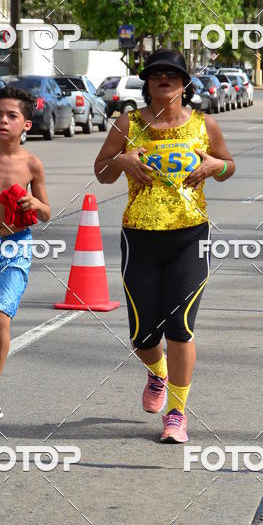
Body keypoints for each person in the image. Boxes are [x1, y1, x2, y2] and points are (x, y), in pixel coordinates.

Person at [94, 49, 234, 444]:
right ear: (147, 82)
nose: (163, 79)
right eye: (156, 74)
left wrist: (214, 167)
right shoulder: (129, 122)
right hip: (139, 236)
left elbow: (228, 166)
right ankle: (157, 373)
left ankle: (176, 412)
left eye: (172, 74)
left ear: (184, 83)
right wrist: (122, 161)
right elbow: (102, 172)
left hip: (190, 235)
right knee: (142, 334)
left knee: (181, 326)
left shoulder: (205, 124)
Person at [0, 87, 51, 419]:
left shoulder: (32, 164)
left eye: (12, 116)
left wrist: (36, 204)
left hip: (16, 247)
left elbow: (47, 212)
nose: (3, 120)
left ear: (26, 125)